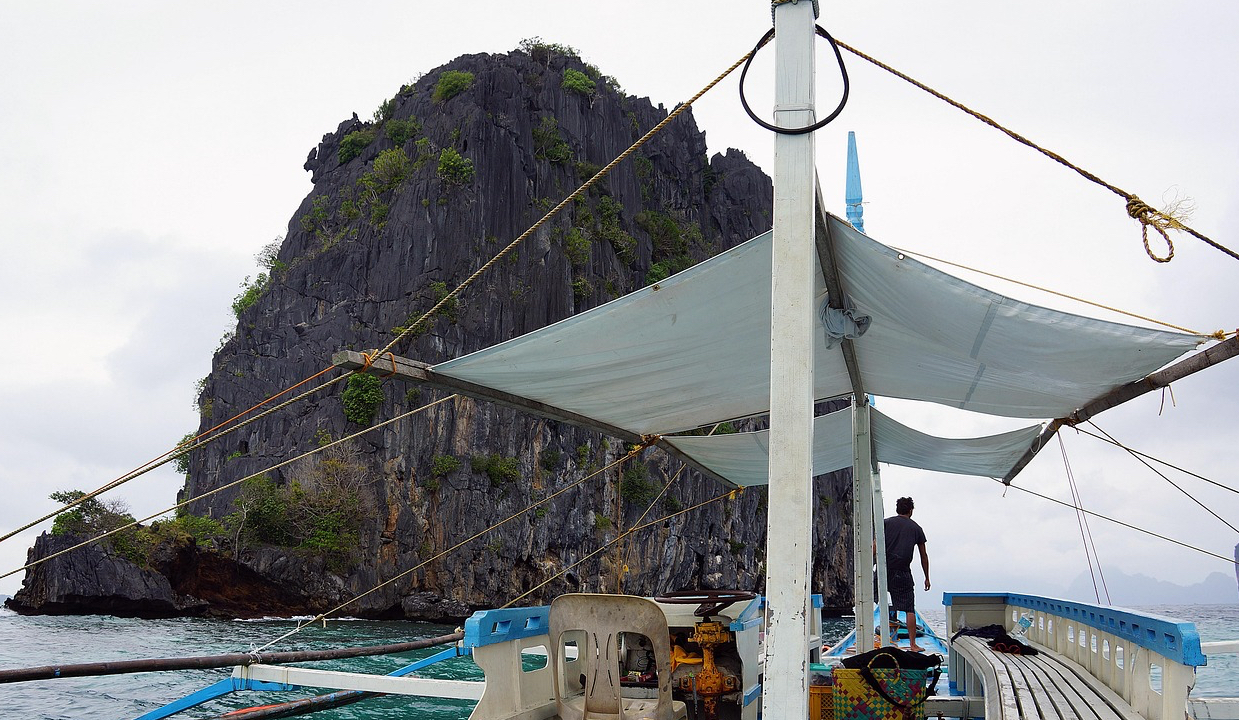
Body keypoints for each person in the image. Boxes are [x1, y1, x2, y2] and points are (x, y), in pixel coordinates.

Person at [882, 496, 930, 651]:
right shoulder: (916, 528)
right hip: (902, 573)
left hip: (884, 570)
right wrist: (926, 577)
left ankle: (877, 640)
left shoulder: (886, 523)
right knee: (909, 609)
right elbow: (923, 556)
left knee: (877, 602)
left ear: (898, 509)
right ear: (911, 510)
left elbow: (875, 546)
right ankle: (913, 644)